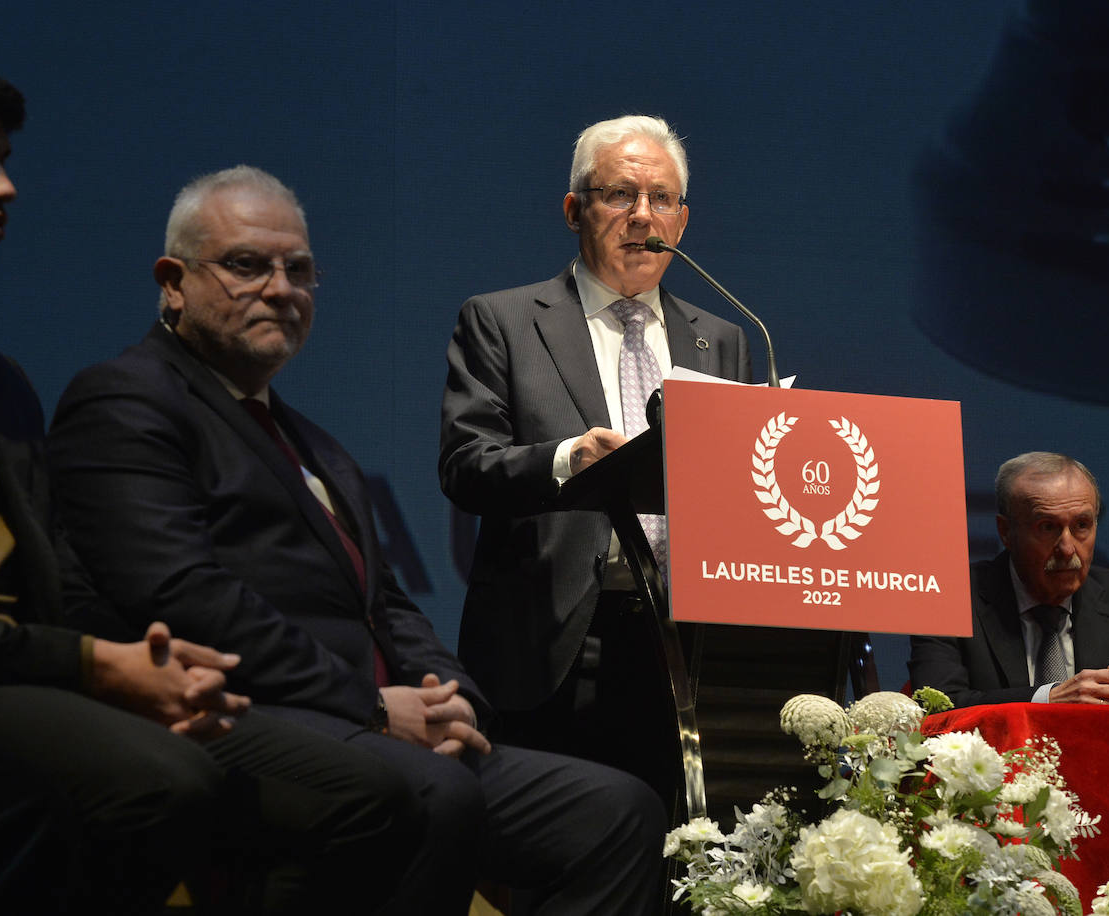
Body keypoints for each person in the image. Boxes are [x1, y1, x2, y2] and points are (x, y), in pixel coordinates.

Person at [0, 36, 417, 913]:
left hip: (41, 671)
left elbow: (61, 581)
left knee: (358, 791)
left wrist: (156, 666)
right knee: (165, 783)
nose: (5, 188)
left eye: (5, 161)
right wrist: (98, 668)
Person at [47, 164, 667, 915]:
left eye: (299, 271)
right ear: (173, 281)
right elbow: (181, 596)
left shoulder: (313, 444)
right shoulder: (126, 399)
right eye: (247, 266)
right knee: (429, 794)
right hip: (247, 717)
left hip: (379, 723)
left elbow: (389, 605)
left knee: (617, 811)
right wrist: (372, 707)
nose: (280, 288)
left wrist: (456, 699)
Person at [438, 115, 751, 796]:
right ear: (574, 209)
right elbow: (465, 462)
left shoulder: (724, 337)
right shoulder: (503, 321)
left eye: (661, 199)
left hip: (687, 649)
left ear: (683, 220)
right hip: (560, 644)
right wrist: (563, 460)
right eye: (620, 195)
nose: (644, 216)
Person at [909, 451, 1109, 708]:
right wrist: (1049, 698)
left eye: (1082, 525)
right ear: (1006, 532)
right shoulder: (950, 597)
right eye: (1047, 527)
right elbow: (937, 706)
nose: (1067, 548)